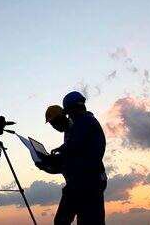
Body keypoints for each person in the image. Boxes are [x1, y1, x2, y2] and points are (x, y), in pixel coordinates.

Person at [36, 91, 107, 225]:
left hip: (88, 182)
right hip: (80, 183)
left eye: (67, 112)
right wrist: (48, 164)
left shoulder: (83, 123)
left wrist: (55, 157)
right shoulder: (84, 122)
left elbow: (73, 151)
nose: (68, 115)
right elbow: (70, 159)